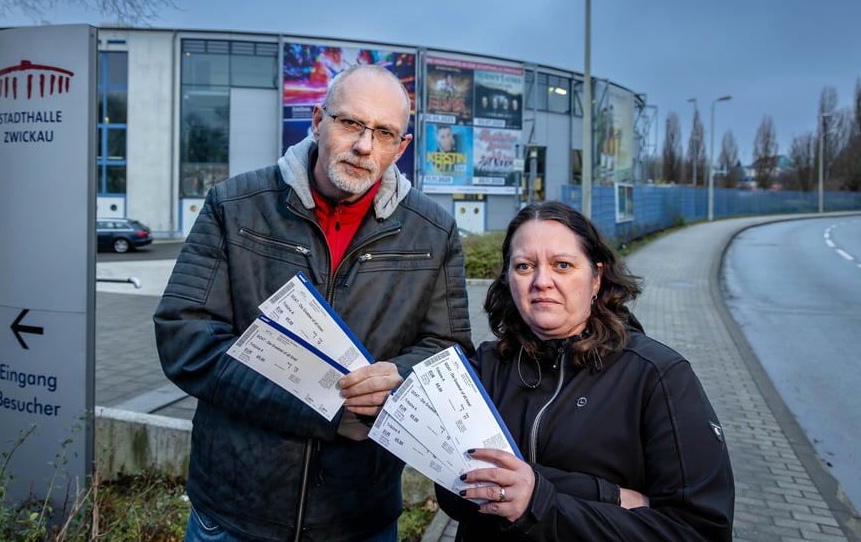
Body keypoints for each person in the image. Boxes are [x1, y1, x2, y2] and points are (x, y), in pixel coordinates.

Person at [155, 64, 474, 542]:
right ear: (318, 120)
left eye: (384, 133)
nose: (365, 146)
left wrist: (402, 376)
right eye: (350, 123)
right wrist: (323, 407)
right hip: (236, 513)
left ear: (401, 148)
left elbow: (448, 351)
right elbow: (186, 338)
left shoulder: (434, 232)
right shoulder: (235, 205)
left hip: (357, 517)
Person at [436, 201, 734, 541]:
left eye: (562, 265)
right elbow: (452, 487)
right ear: (508, 279)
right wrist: (607, 495)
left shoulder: (658, 377)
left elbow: (698, 531)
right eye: (524, 266)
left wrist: (542, 503)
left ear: (596, 278)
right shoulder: (485, 367)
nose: (541, 281)